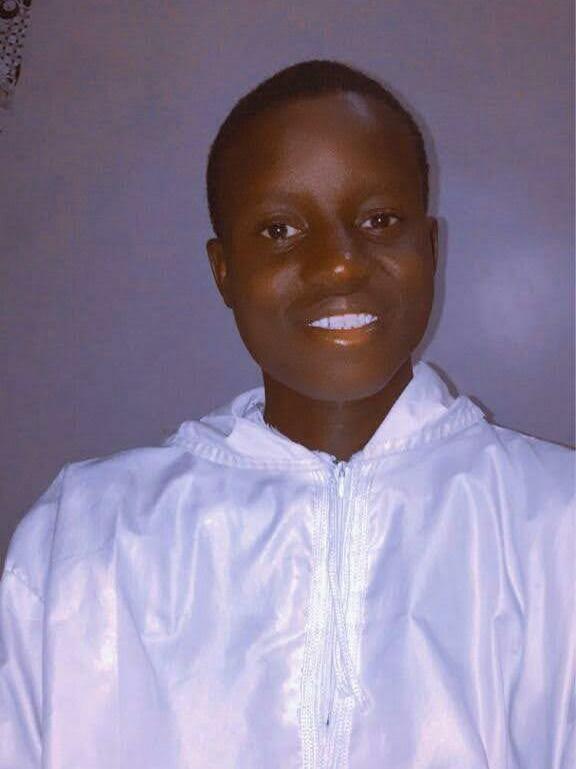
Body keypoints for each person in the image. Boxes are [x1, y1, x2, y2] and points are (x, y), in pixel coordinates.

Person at [0, 59, 573, 769]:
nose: (339, 264)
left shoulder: (555, 525)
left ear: (430, 248)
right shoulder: (87, 537)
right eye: (279, 229)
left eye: (379, 220)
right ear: (224, 271)